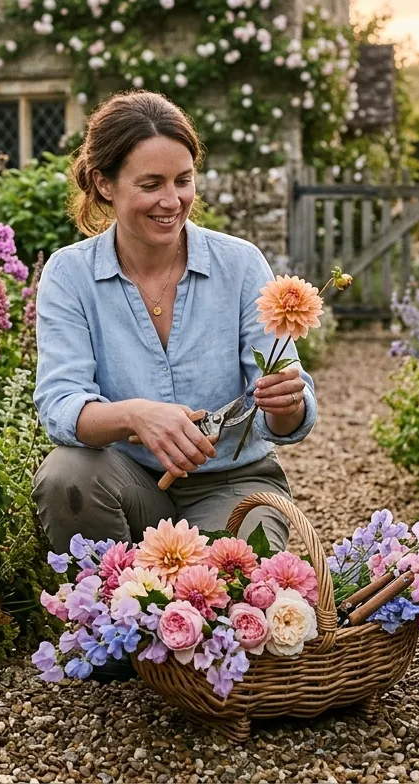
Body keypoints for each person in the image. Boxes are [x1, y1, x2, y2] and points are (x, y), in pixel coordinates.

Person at [32, 90, 318, 564]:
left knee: (227, 587)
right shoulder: (70, 274)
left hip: (234, 483)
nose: (172, 200)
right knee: (67, 476)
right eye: (151, 184)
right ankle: (109, 616)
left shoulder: (240, 264)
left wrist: (285, 402)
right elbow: (61, 405)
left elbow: (284, 419)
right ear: (105, 184)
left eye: (183, 180)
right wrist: (135, 416)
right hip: (131, 483)